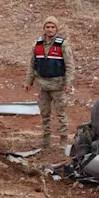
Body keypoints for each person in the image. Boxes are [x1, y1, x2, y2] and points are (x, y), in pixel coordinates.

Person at [25, 16, 75, 149]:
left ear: (56, 29)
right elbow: (32, 64)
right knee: (45, 114)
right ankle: (46, 142)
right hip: (43, 86)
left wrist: (68, 84)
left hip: (58, 86)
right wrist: (28, 81)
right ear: (44, 28)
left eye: (53, 27)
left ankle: (63, 142)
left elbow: (70, 66)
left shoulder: (63, 44)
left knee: (61, 114)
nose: (50, 29)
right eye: (47, 27)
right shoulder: (37, 44)